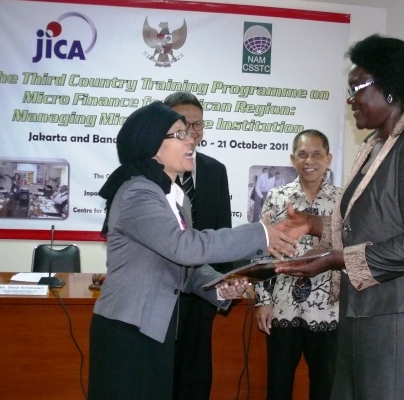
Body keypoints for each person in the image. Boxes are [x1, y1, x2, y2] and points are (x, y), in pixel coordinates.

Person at [274, 34, 404, 400]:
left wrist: (337, 259)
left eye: (356, 88)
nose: (350, 99)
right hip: (367, 308)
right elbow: (372, 220)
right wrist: (314, 225)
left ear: (390, 89)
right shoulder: (374, 145)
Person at [88, 101, 299, 400]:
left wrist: (218, 287)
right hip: (127, 331)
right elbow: (183, 247)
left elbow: (182, 269)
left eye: (190, 131)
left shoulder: (175, 198)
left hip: (155, 329)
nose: (191, 139)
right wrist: (260, 233)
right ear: (152, 145)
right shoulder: (138, 193)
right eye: (179, 134)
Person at [254, 129, 342, 400]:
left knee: (325, 386)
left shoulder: (343, 200)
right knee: (278, 385)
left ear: (328, 159)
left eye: (316, 154)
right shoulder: (277, 197)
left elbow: (351, 247)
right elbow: (262, 252)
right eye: (302, 154)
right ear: (293, 159)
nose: (309, 161)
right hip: (283, 306)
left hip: (329, 309)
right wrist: (262, 301)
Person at [164, 91, 233, 400]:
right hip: (163, 296)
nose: (192, 132)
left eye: (198, 125)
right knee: (162, 378)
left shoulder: (216, 170)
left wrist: (222, 285)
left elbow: (223, 231)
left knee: (195, 379)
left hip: (203, 294)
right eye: (184, 125)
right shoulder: (153, 173)